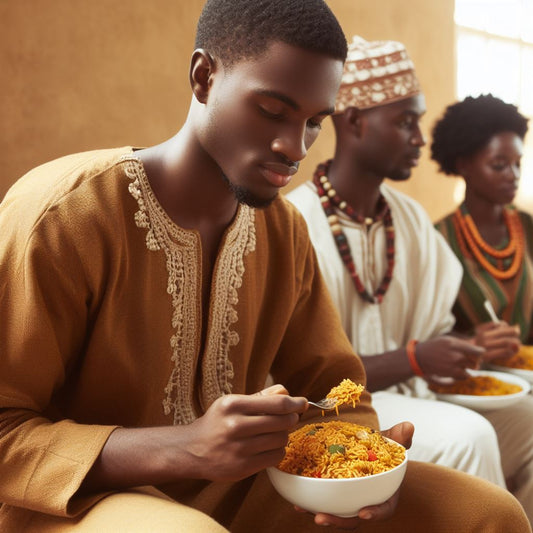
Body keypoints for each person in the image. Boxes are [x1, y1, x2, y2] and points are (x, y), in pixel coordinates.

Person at [0, 3, 529, 531]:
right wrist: (185, 448)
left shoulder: (283, 232)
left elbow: (335, 391)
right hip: (74, 498)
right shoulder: (66, 214)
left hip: (244, 485)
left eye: (314, 122)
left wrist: (365, 473)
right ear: (203, 77)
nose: (293, 146)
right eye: (273, 111)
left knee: (488, 515)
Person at [287, 36, 533, 522]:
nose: (420, 138)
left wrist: (465, 344)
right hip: (331, 418)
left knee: (528, 419)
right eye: (406, 122)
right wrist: (415, 358)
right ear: (354, 120)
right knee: (469, 437)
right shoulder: (295, 222)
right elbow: (300, 378)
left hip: (414, 395)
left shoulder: (411, 220)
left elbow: (434, 333)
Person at [433, 94, 533, 520]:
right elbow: (429, 335)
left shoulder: (527, 227)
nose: (512, 175)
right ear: (463, 164)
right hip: (478, 388)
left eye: (518, 163)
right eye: (499, 165)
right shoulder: (438, 242)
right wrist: (471, 340)